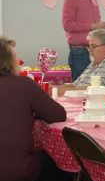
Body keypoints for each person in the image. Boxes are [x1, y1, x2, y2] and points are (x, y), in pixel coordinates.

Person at [0, 36, 72, 181]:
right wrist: (33, 112)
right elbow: (58, 115)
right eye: (15, 56)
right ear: (7, 61)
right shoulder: (23, 85)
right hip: (16, 170)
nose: (18, 60)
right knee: (60, 162)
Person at [62, 0, 105, 82]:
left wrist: (103, 27)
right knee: (80, 90)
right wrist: (93, 26)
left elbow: (95, 24)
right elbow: (67, 25)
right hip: (80, 53)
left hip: (96, 52)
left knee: (95, 87)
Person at [54, 29, 105, 95]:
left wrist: (59, 91)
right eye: (89, 46)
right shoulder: (93, 64)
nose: (89, 50)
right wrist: (55, 89)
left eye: (93, 46)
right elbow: (75, 85)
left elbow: (95, 89)